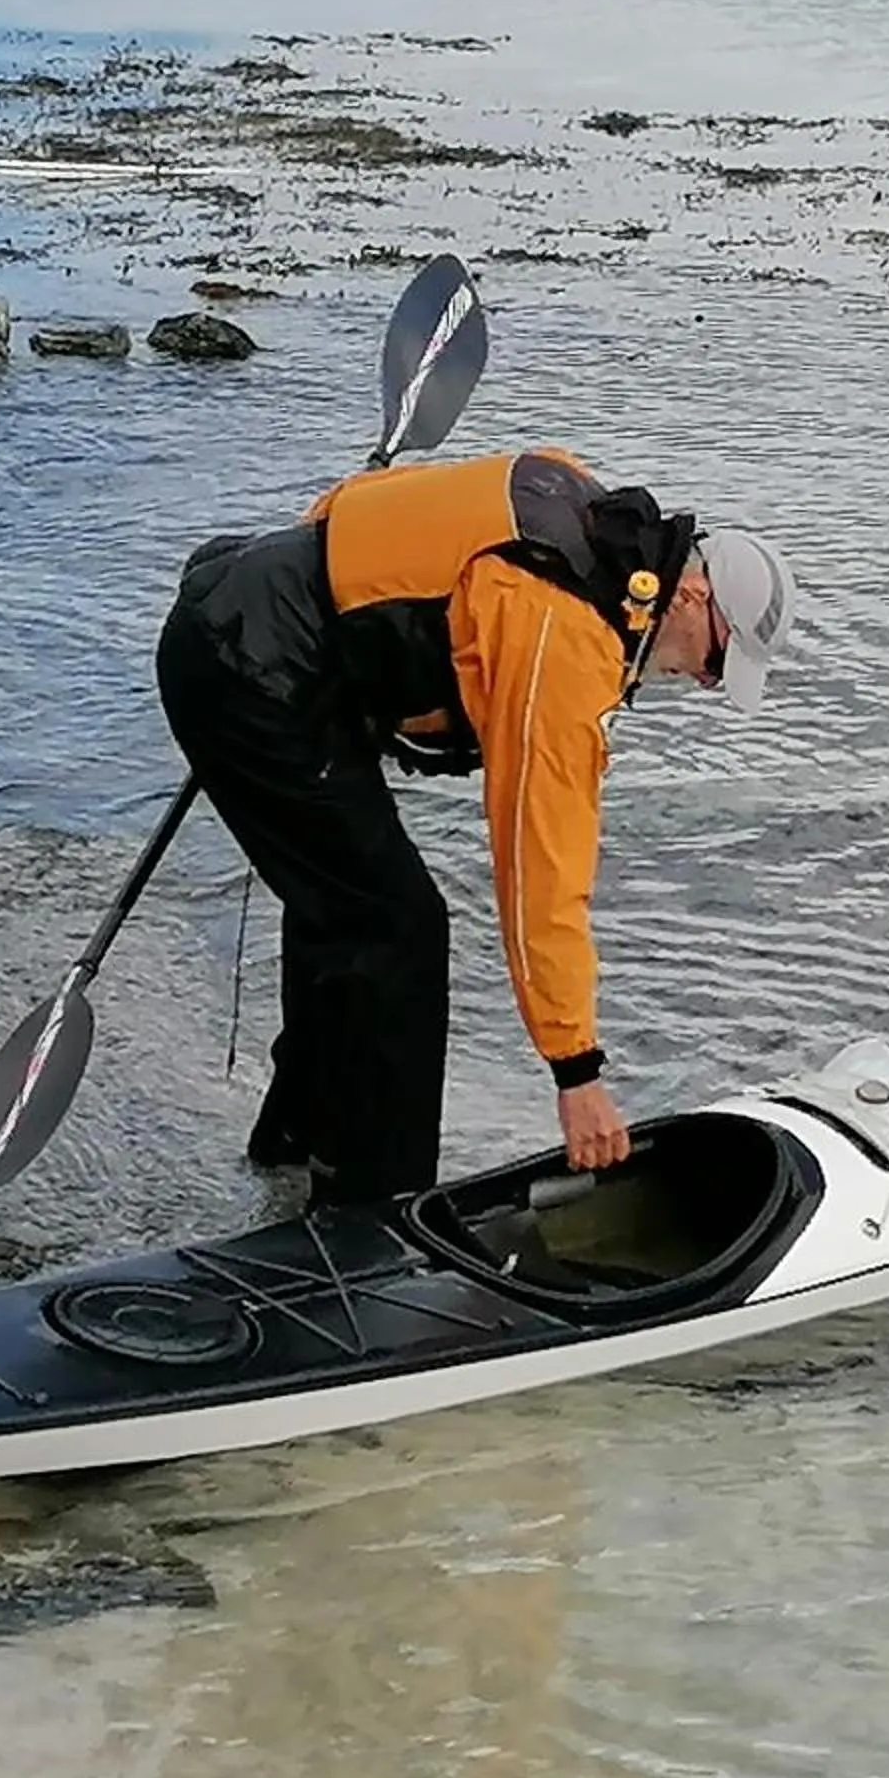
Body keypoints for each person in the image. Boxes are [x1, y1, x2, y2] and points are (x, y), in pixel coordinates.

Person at [152, 445, 794, 1211]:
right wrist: (575, 1070)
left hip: (246, 604)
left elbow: (355, 505)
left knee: (350, 907)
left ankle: (295, 1148)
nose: (703, 681)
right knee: (398, 929)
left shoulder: (571, 492)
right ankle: (374, 1210)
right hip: (247, 667)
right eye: (717, 661)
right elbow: (540, 876)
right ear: (689, 596)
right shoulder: (569, 640)